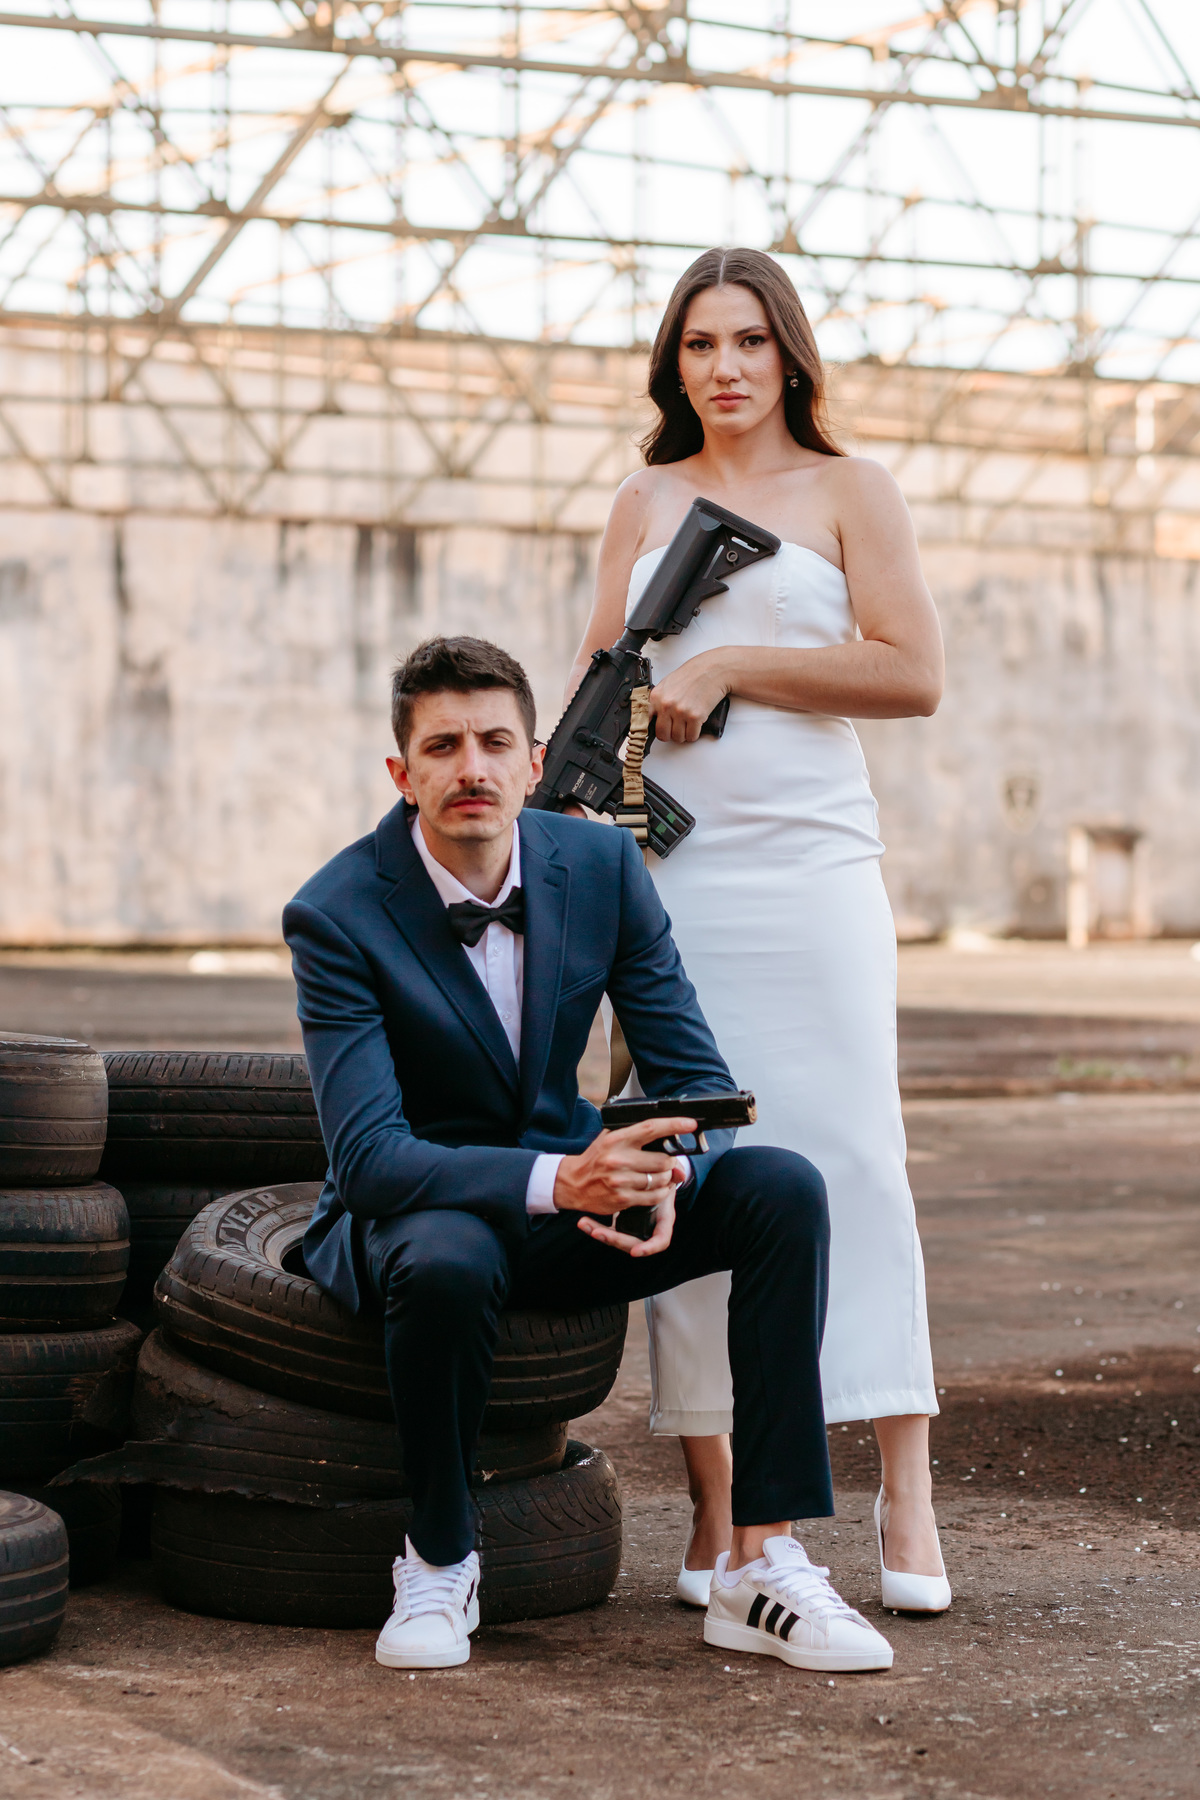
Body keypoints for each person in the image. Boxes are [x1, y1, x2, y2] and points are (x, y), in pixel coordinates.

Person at [283, 633, 894, 1674]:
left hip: (577, 1206)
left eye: (494, 743)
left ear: (533, 763)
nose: (471, 769)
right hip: (425, 1213)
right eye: (442, 747)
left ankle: (759, 1562)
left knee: (781, 1188)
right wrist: (562, 1180)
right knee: (447, 1257)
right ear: (401, 771)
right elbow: (372, 1158)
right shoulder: (336, 913)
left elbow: (693, 1075)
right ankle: (438, 1558)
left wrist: (674, 1168)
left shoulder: (602, 866)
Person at [566, 246, 951, 1616]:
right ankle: (724, 1509)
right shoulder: (642, 500)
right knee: (691, 1154)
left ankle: (904, 1483)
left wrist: (732, 663)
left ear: (789, 354)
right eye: (697, 344)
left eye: (746, 340)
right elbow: (599, 686)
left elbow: (911, 673)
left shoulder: (853, 490)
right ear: (671, 367)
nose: (723, 367)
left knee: (855, 1153)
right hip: (678, 875)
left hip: (814, 864)